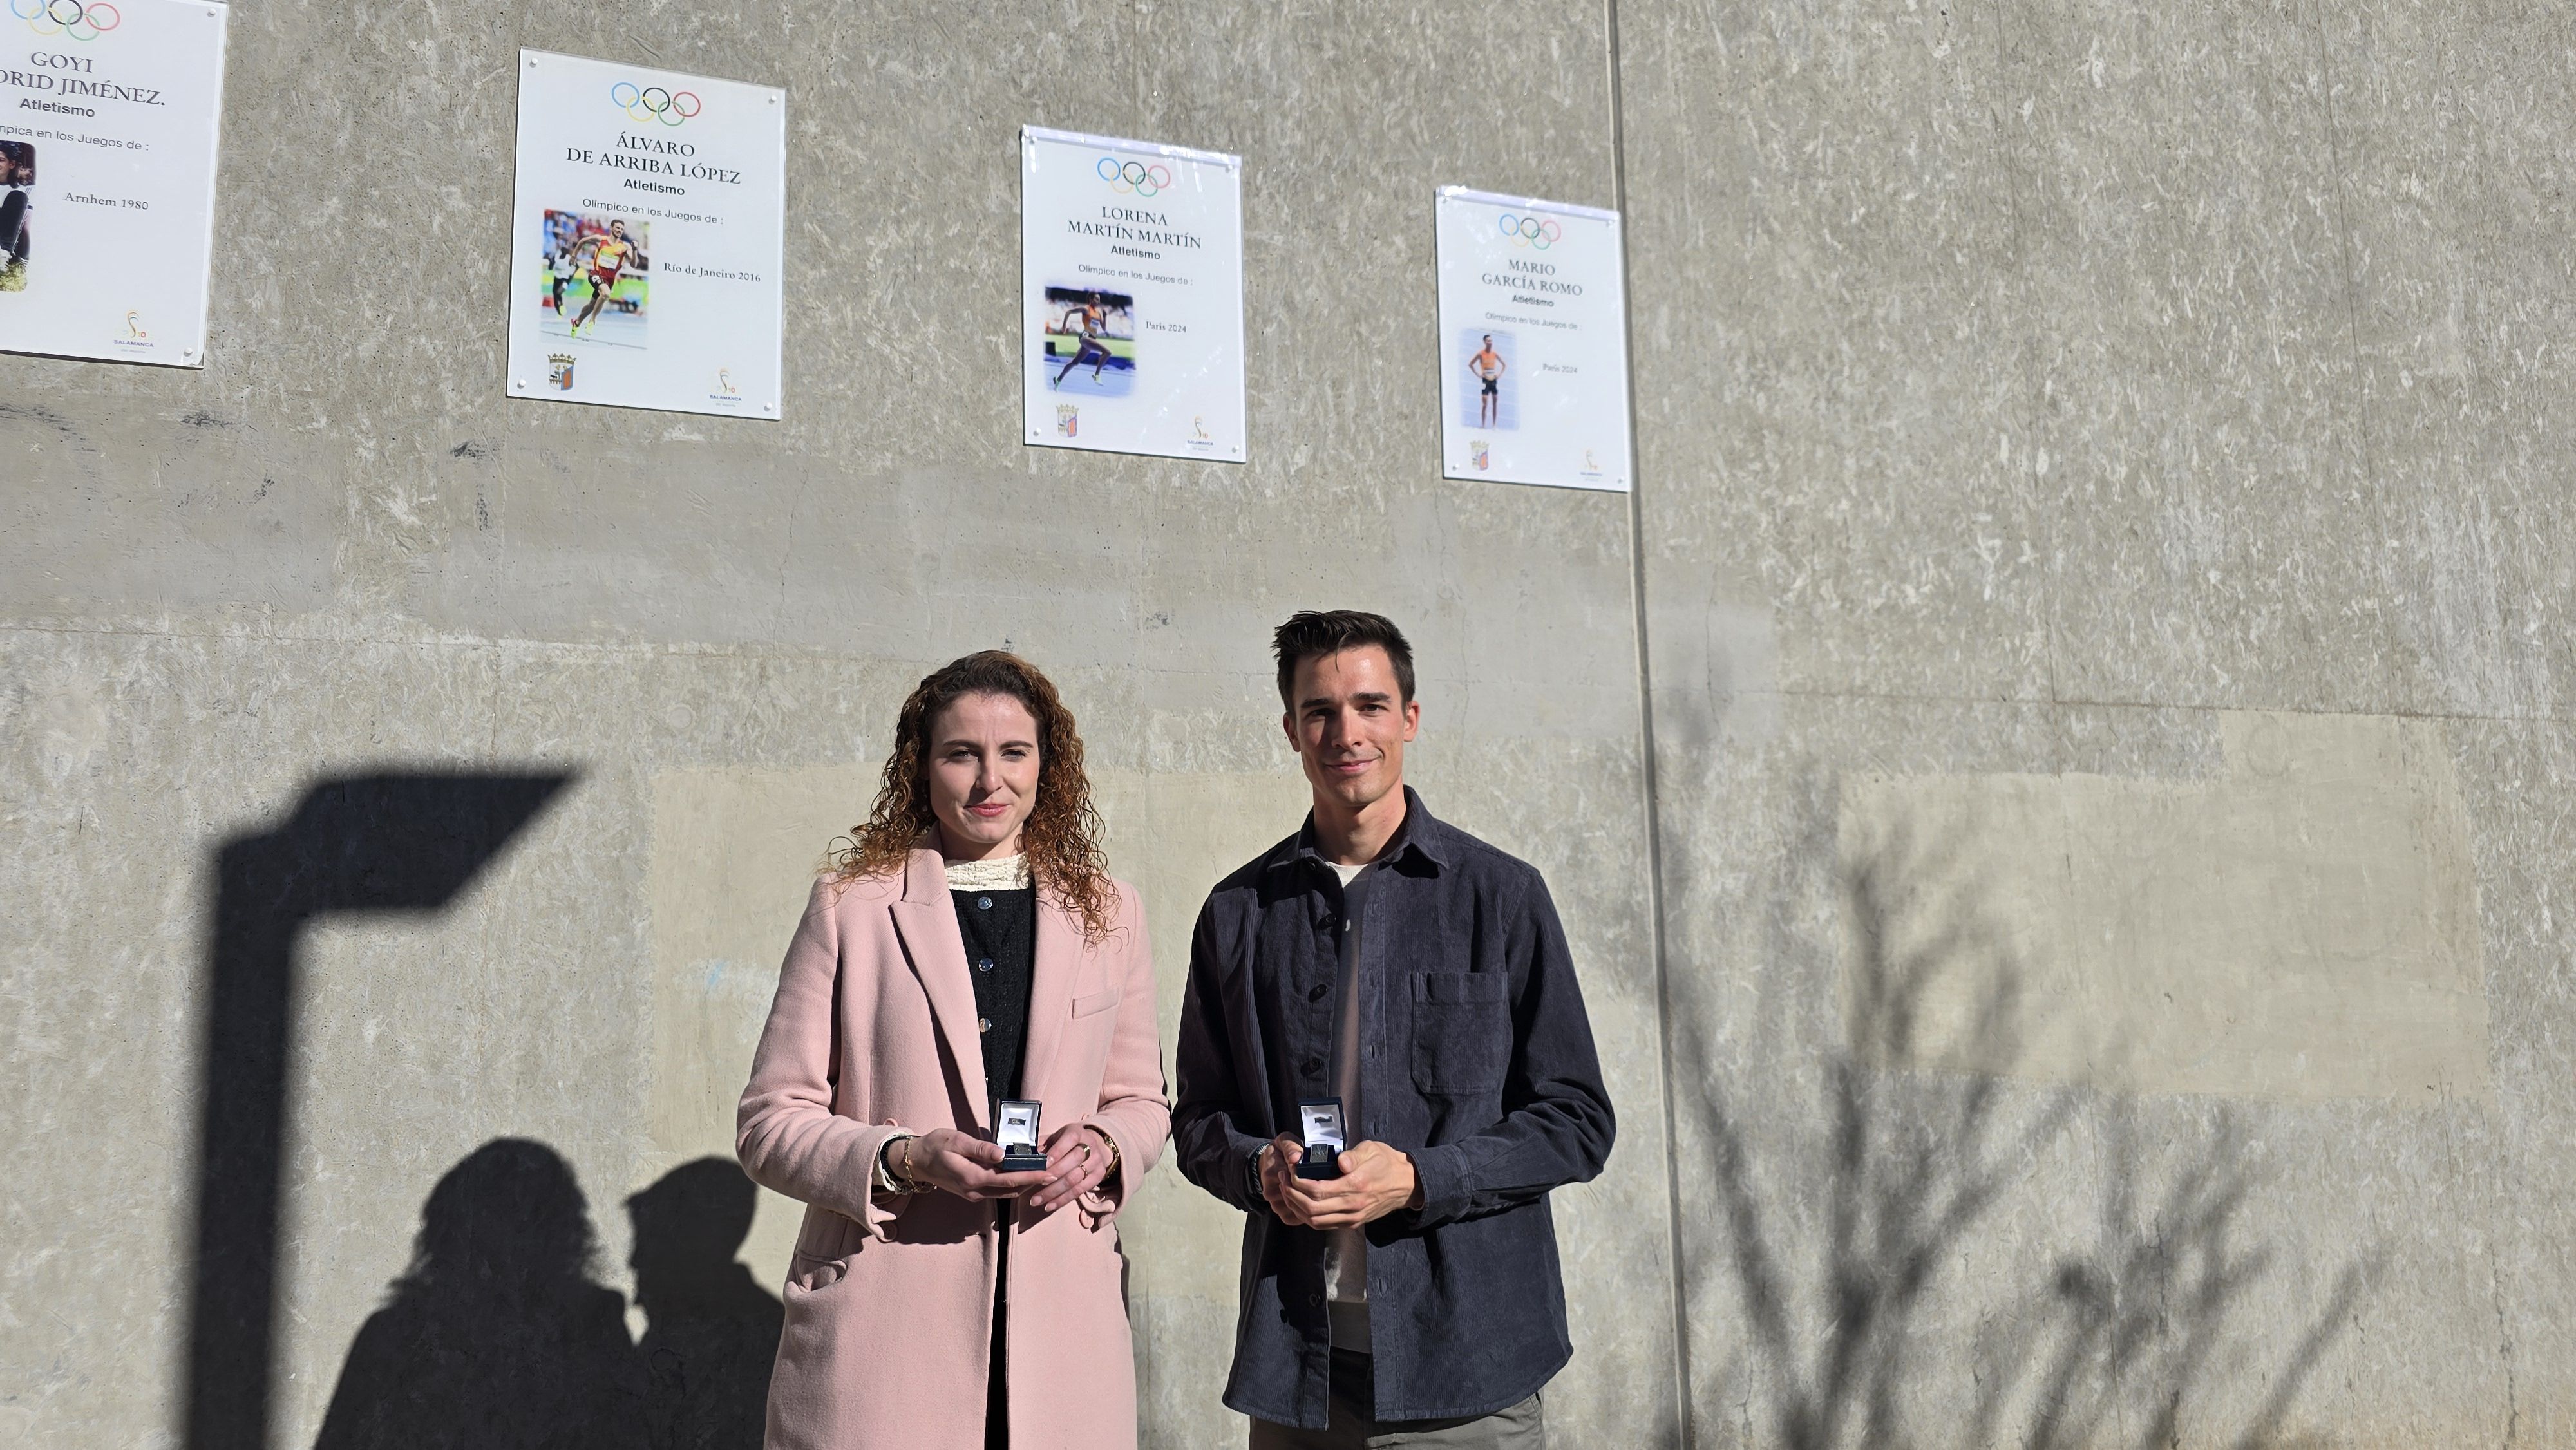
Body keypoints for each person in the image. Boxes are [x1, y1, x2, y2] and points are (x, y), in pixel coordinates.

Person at [1173, 610, 1614, 1448]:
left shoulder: (1501, 896)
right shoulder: (1238, 912)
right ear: (1292, 731)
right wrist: (1256, 1167)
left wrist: (1419, 1177)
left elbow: (1577, 1122)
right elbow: (1198, 1121)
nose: (1347, 732)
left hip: (1466, 1374)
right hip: (1299, 1372)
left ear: (1409, 718)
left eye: (1370, 705)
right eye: (1320, 712)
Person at [738, 651, 1168, 1450]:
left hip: (1063, 1346)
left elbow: (1143, 1100)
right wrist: (904, 1156)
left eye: (1014, 752)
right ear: (921, 764)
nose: (989, 780)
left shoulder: (1112, 912)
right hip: (885, 1336)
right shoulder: (852, 905)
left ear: (1049, 762)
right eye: (961, 753)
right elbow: (769, 1121)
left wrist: (1106, 1145)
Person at [566, 219, 638, 337]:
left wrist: (634, 251)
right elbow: (583, 241)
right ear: (611, 228)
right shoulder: (601, 240)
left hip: (609, 280)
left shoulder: (625, 247)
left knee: (591, 306)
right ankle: (592, 321)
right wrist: (574, 256)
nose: (620, 230)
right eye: (617, 228)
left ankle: (577, 322)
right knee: (606, 294)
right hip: (596, 274)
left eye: (622, 229)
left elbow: (634, 265)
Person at [1051, 294, 1115, 387]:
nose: (1098, 302)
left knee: (1075, 362)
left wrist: (1105, 317)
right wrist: (1064, 326)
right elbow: (1069, 312)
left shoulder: (1098, 314)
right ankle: (1097, 375)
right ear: (1090, 299)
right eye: (1097, 299)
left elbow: (1104, 329)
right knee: (1108, 352)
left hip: (1092, 339)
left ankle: (1058, 380)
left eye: (1099, 300)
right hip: (1086, 337)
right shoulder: (1086, 309)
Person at [1468, 336, 1506, 428]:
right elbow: (1471, 364)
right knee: (1485, 403)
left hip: (1493, 380)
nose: (1490, 342)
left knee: (1495, 402)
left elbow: (1504, 364)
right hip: (1484, 381)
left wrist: (1499, 374)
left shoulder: (1494, 354)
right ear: (1485, 342)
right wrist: (1478, 374)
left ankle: (1494, 426)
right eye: (1488, 341)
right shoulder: (1481, 354)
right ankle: (1483, 426)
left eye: (1491, 341)